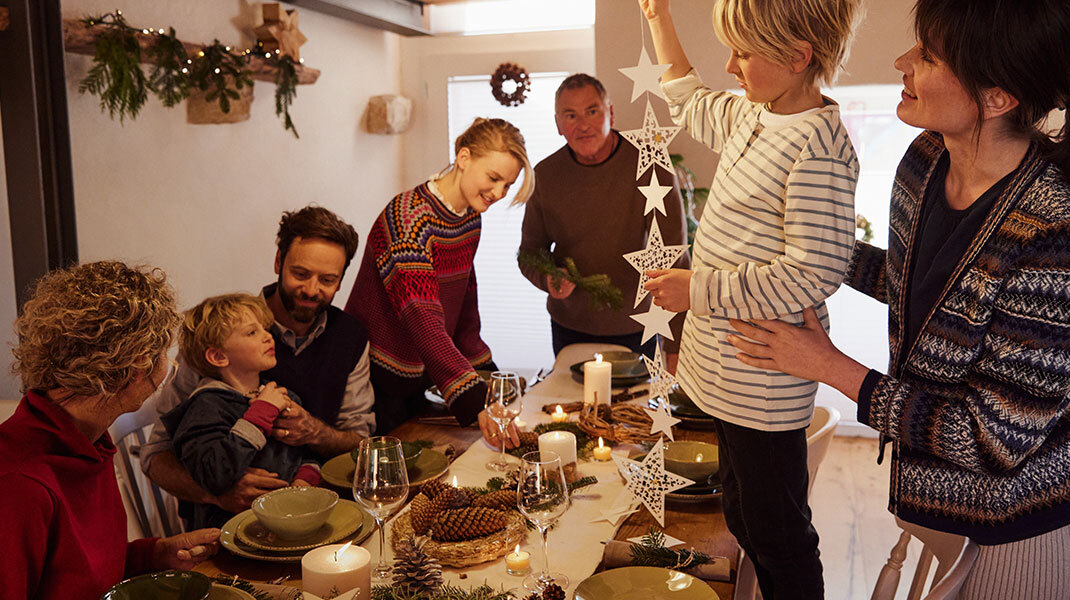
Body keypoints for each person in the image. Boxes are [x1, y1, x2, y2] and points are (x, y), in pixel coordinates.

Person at [725, 0, 1070, 596]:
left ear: (997, 97)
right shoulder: (927, 160)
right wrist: (805, 252)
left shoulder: (1052, 232)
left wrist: (829, 366)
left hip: (1013, 519)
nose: (901, 62)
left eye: (928, 56)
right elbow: (925, 294)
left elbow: (990, 438)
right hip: (931, 490)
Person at [641, 0, 862, 597]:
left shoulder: (818, 148)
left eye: (744, 52)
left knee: (778, 534)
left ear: (797, 57)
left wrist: (699, 290)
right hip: (726, 375)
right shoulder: (754, 116)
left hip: (763, 379)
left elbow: (811, 274)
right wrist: (658, 18)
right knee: (741, 516)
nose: (730, 65)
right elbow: (687, 96)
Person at [0, 261, 220, 600]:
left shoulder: (88, 438)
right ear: (136, 368)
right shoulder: (20, 484)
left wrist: (154, 555)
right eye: (163, 353)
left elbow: (79, 577)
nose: (168, 366)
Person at [142, 206, 373, 516]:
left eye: (327, 279)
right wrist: (217, 493)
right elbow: (157, 455)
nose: (311, 289)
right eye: (300, 274)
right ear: (279, 261)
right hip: (222, 525)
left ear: (341, 280)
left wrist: (314, 434)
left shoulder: (350, 337)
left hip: (316, 511)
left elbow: (361, 442)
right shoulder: (222, 335)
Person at [344, 117, 533, 444]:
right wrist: (474, 396)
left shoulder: (469, 218)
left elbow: (465, 296)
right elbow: (422, 316)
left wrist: (484, 369)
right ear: (464, 158)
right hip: (377, 375)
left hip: (427, 367)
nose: (499, 193)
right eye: (494, 178)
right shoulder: (409, 220)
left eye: (508, 185)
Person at [517, 73, 690, 369]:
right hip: (568, 327)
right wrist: (548, 279)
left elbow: (675, 260)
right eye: (571, 115)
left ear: (610, 112)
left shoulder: (651, 168)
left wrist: (675, 348)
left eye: (592, 111)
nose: (583, 125)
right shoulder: (545, 175)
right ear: (559, 124)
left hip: (638, 325)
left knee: (634, 413)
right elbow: (530, 253)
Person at [162, 294, 322, 529]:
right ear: (218, 356)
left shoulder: (279, 396)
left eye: (264, 329)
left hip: (288, 523)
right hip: (230, 535)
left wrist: (305, 479)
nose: (268, 336)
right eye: (251, 332)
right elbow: (215, 474)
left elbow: (305, 454)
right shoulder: (204, 407)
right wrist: (261, 414)